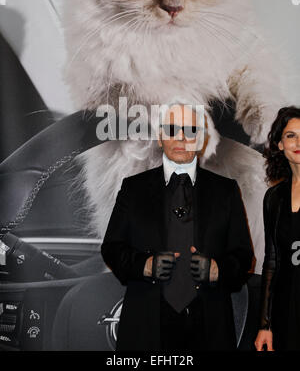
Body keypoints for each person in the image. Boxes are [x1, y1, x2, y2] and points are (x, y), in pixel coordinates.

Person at [101, 102, 253, 351]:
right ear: (160, 136)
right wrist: (145, 265)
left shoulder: (226, 191)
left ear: (202, 138)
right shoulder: (133, 188)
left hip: (209, 328)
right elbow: (112, 248)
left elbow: (243, 255)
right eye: (172, 129)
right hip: (146, 325)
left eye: (190, 130)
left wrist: (217, 269)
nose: (181, 137)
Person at [255, 106, 300, 352]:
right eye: (291, 135)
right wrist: (265, 324)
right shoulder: (273, 198)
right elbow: (271, 262)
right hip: (285, 308)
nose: (298, 142)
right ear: (280, 144)